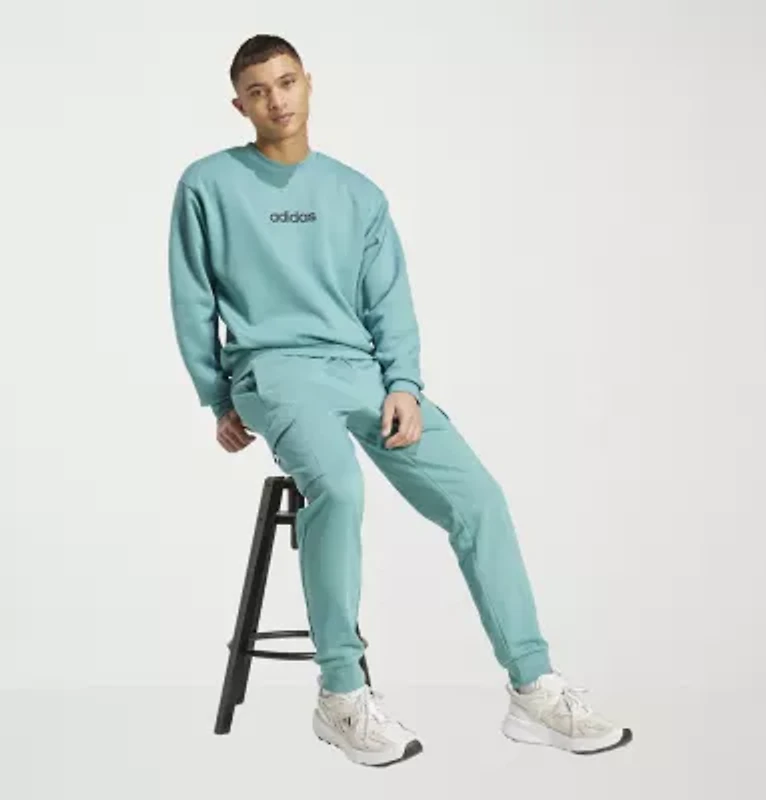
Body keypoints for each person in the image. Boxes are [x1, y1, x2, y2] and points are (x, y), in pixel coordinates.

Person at [168, 34, 632, 767]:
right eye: (258, 91)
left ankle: (533, 687)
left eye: (286, 82)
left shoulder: (358, 194)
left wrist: (405, 386)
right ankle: (341, 695)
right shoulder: (208, 184)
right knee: (339, 488)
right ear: (239, 105)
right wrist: (215, 396)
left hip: (363, 374)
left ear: (308, 83)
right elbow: (193, 296)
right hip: (273, 372)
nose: (276, 100)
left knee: (477, 498)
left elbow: (389, 303)